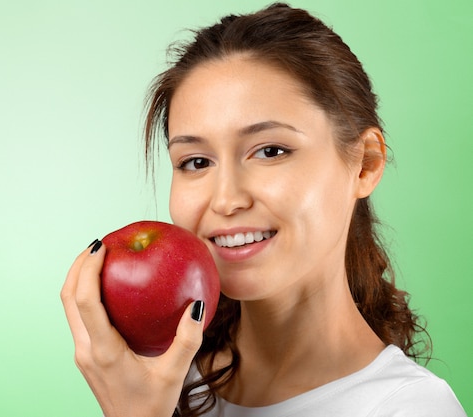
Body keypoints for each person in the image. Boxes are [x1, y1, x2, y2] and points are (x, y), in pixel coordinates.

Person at [61, 3, 467, 416]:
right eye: (196, 162)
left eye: (270, 151)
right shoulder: (156, 381)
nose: (225, 199)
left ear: (365, 163)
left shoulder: (411, 408)